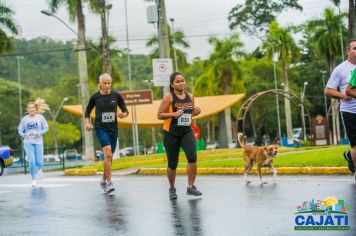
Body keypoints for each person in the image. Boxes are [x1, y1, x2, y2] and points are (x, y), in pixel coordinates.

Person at [157, 72, 202, 200]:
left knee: (192, 157)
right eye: (178, 81)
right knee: (172, 164)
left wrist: (196, 112)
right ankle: (172, 188)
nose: (181, 83)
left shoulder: (190, 97)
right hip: (171, 133)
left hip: (187, 131)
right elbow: (159, 115)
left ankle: (191, 186)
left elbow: (189, 113)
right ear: (172, 84)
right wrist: (174, 114)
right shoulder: (169, 97)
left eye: (183, 80)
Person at [84, 73, 129, 193]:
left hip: (113, 129)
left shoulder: (116, 96)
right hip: (100, 128)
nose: (107, 85)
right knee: (107, 154)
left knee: (110, 157)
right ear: (100, 84)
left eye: (109, 83)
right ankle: (109, 182)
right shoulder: (95, 97)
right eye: (105, 83)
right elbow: (87, 113)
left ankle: (103, 180)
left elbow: (125, 110)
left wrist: (123, 114)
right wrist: (87, 124)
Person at [325, 39, 356, 180]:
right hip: (350, 111)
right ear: (348, 51)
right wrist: (343, 95)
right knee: (355, 144)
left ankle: (349, 156)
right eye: (355, 48)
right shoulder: (341, 69)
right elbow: (328, 90)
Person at [18, 98, 49, 187]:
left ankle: (40, 169)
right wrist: (23, 135)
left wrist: (39, 133)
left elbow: (46, 128)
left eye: (33, 107)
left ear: (35, 109)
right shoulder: (24, 119)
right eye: (29, 108)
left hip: (38, 142)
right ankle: (34, 179)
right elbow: (20, 129)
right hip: (28, 142)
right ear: (27, 109)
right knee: (31, 160)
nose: (31, 109)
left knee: (39, 161)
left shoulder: (40, 118)